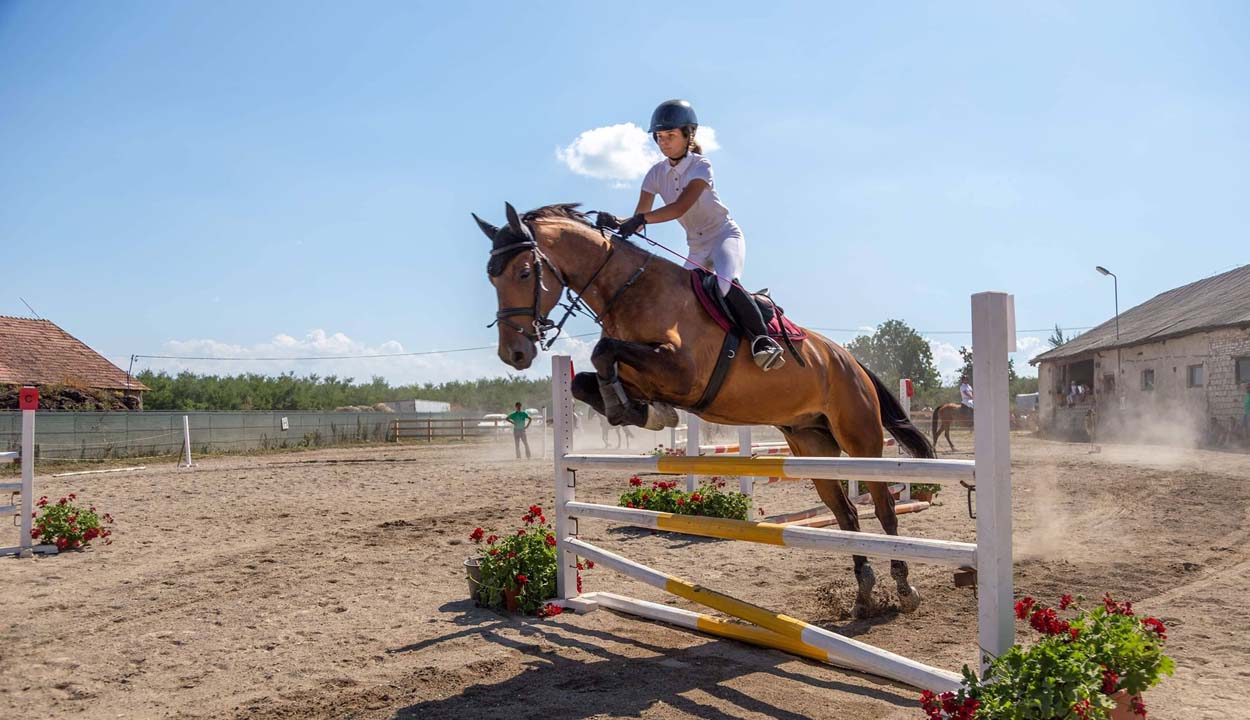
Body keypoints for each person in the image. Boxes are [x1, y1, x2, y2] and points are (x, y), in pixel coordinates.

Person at [609, 99, 785, 371]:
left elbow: (680, 207)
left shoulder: (701, 166)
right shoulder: (655, 174)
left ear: (688, 136)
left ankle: (762, 340)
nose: (663, 142)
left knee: (725, 284)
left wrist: (640, 219)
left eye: (670, 136)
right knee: (679, 299)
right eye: (659, 137)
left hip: (723, 236)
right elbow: (639, 218)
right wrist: (615, 221)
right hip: (697, 247)